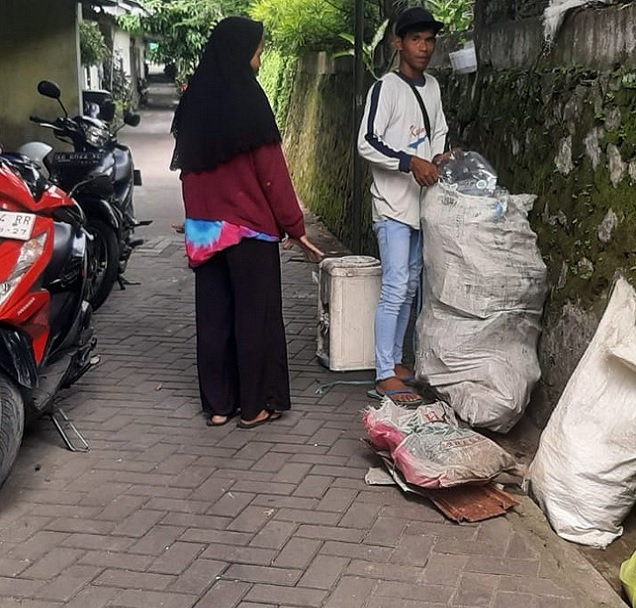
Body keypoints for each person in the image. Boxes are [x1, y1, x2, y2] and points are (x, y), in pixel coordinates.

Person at [171, 16, 322, 428]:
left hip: (205, 229)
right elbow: (271, 171)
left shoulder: (194, 99)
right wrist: (294, 225)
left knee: (214, 316)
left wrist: (194, 218)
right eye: (256, 50)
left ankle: (219, 406)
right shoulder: (249, 99)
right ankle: (255, 406)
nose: (258, 59)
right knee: (255, 316)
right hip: (248, 228)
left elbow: (186, 169)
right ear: (241, 52)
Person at [357, 6, 449, 407]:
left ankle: (395, 364)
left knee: (410, 287)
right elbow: (366, 142)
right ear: (398, 43)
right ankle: (382, 373)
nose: (424, 47)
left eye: (429, 40)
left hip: (420, 207)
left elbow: (439, 130)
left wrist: (440, 157)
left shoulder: (433, 88)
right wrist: (410, 161)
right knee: (395, 287)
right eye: (416, 39)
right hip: (392, 206)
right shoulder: (385, 89)